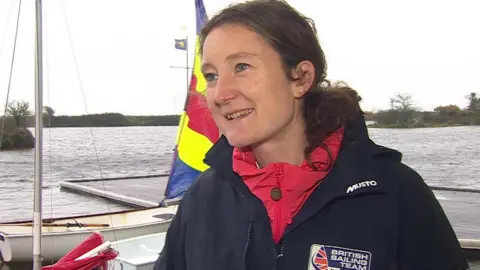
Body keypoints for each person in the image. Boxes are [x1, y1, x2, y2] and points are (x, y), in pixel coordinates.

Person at [154, 0, 469, 269]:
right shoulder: (202, 198)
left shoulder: (395, 193)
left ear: (301, 77)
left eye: (242, 67)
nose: (220, 94)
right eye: (211, 75)